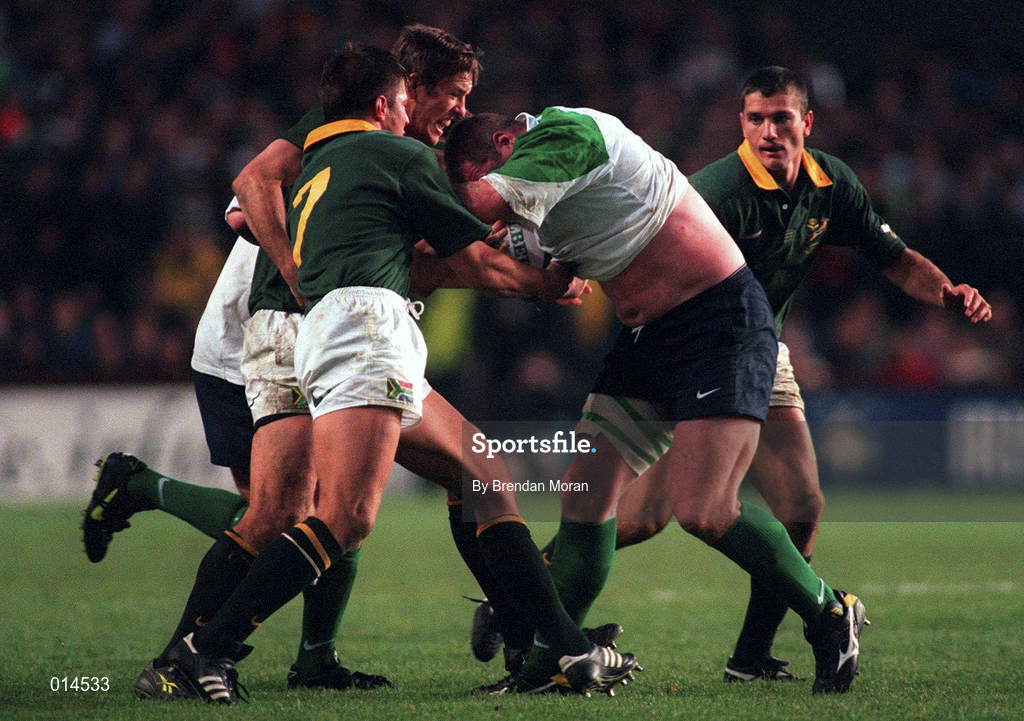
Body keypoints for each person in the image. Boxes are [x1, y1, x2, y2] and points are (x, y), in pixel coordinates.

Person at [156, 43, 634, 705]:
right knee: (334, 517)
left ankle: (560, 645)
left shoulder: (325, 156)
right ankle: (202, 649)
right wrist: (541, 281)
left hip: (338, 323)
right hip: (354, 326)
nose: (446, 112)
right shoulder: (395, 151)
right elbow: (468, 258)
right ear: (390, 101)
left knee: (481, 469)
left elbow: (412, 255)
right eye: (436, 97)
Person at [445, 105, 865, 695]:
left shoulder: (566, 132)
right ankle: (547, 669)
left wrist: (406, 185)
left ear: (505, 141)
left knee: (704, 509)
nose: (489, 188)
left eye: (479, 171)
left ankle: (829, 611)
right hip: (648, 336)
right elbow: (558, 280)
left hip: (718, 321)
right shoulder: (544, 187)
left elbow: (477, 205)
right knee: (585, 499)